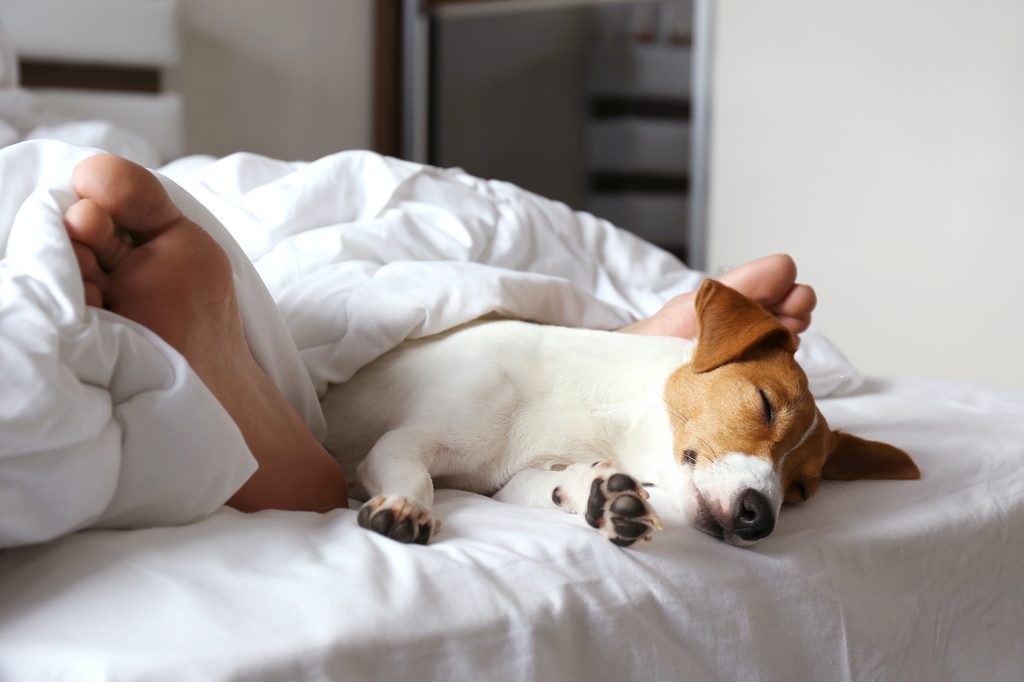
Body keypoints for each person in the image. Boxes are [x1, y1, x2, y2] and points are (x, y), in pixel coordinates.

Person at [64, 154, 817, 515]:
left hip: (507, 418)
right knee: (384, 263)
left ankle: (275, 410)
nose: (768, 500)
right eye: (762, 411)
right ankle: (616, 334)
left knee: (517, 422)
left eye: (797, 485)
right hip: (486, 370)